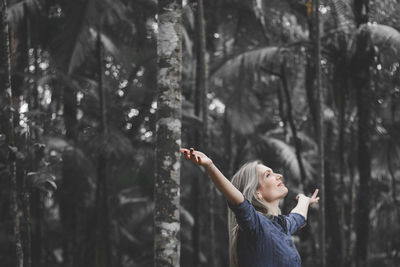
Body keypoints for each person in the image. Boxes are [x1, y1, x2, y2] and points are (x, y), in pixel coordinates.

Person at [180, 147, 319, 267]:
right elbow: (238, 200)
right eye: (268, 175)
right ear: (256, 192)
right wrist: (210, 166)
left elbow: (298, 216)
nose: (279, 176)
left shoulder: (282, 226)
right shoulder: (256, 225)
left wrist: (304, 200)